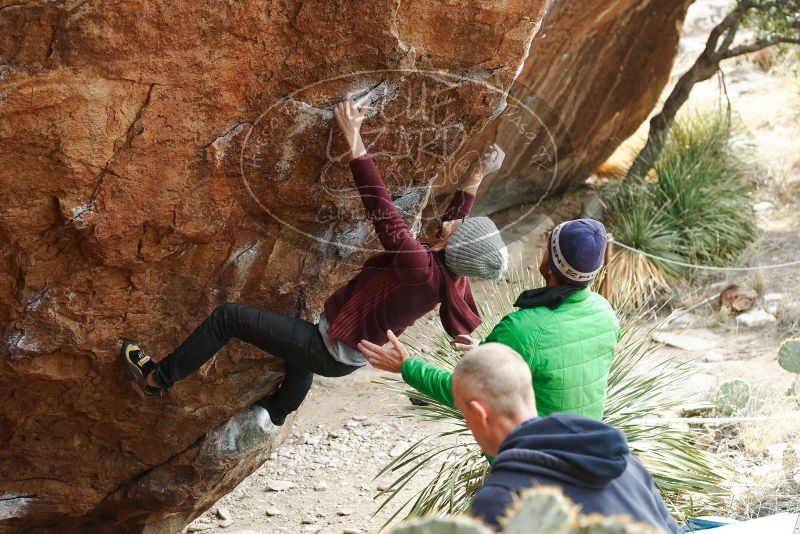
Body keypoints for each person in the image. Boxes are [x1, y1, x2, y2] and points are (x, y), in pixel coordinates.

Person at [121, 100, 509, 426]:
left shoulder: (419, 268)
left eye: (458, 226)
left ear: (448, 243)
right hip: (342, 355)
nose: (456, 218)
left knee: (228, 318)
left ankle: (158, 377)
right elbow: (457, 232)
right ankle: (276, 412)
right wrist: (476, 174)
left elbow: (382, 209)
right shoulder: (448, 272)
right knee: (298, 358)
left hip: (331, 349)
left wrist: (353, 137)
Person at [361, 218, 620, 420]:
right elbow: (561, 367)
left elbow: (465, 392)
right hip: (586, 454)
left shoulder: (523, 329)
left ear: (550, 264)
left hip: (531, 465)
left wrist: (406, 366)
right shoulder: (605, 313)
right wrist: (495, 353)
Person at [452, 343, 682, 533]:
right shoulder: (624, 460)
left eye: (465, 415)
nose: (467, 423)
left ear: (479, 413)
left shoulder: (501, 499)